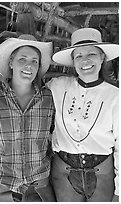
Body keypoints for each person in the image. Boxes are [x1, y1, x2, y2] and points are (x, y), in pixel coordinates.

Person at [47, 28, 119, 202]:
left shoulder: (116, 96)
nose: (85, 60)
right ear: (73, 61)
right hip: (63, 171)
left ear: (102, 57)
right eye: (78, 56)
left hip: (102, 171)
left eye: (91, 54)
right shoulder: (56, 86)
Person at [0, 35, 56, 202]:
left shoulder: (50, 98)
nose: (28, 65)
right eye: (22, 59)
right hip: (0, 186)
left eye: (34, 61)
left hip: (38, 187)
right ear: (11, 63)